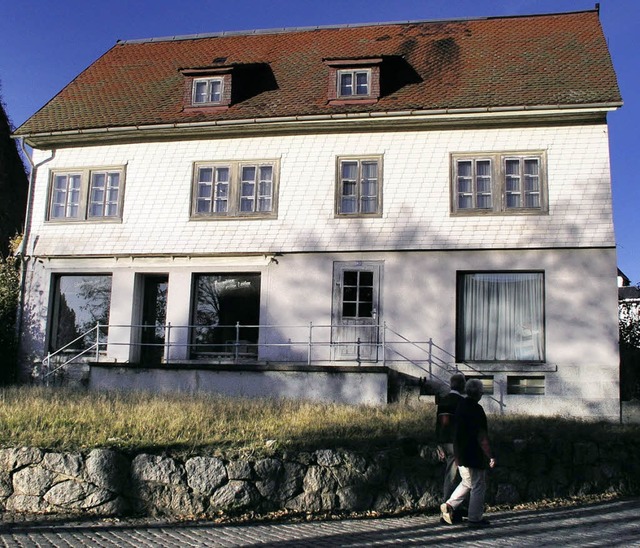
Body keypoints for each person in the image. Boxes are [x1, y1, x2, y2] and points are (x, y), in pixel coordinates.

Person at [440, 378, 496, 528]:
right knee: (478, 485)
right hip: (473, 454)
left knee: (467, 482)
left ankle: (449, 505)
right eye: (482, 391)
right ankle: (475, 518)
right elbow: (481, 435)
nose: (482, 394)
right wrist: (490, 455)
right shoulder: (477, 410)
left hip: (459, 452)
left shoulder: (461, 406)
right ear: (478, 393)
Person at [435, 372, 466, 515]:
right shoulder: (462, 403)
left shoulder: (443, 401)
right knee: (455, 477)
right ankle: (448, 508)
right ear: (462, 385)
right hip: (456, 443)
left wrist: (438, 444)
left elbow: (439, 425)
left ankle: (452, 506)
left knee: (451, 475)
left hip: (444, 442)